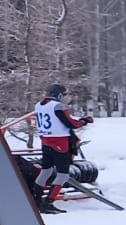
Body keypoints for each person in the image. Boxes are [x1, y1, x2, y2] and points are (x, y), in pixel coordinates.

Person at [33, 83, 93, 214]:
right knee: (63, 175)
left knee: (46, 171)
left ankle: (36, 200)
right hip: (60, 143)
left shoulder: (38, 105)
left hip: (45, 141)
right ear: (59, 95)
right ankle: (49, 202)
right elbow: (70, 123)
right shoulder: (57, 106)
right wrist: (84, 121)